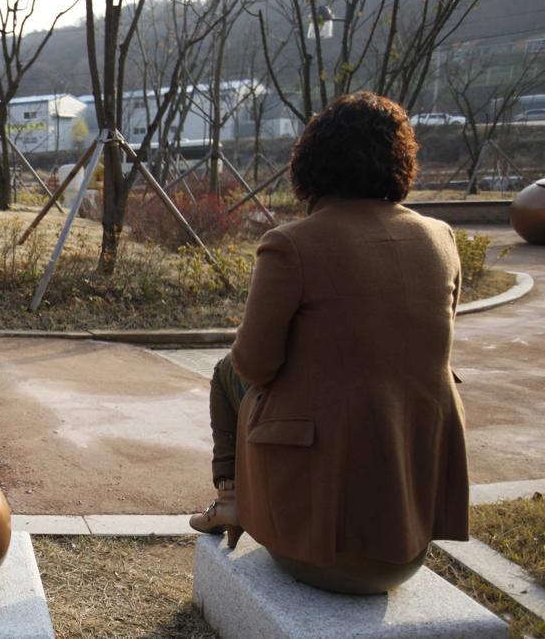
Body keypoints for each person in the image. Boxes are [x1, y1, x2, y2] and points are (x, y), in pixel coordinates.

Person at [189, 91, 470, 594]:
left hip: (314, 550)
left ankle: (230, 497)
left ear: (312, 162)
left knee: (225, 372)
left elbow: (253, 365)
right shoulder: (441, 239)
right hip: (409, 546)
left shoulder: (293, 244)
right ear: (401, 162)